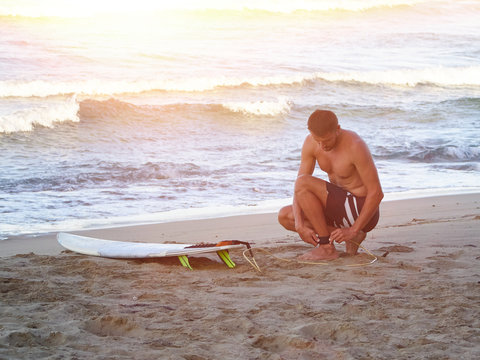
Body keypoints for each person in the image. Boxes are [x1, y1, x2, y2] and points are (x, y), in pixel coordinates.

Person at [278, 110, 383, 260]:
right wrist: (299, 225)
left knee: (303, 182)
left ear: (337, 130)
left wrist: (354, 229)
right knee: (287, 216)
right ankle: (352, 239)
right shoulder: (310, 143)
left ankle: (326, 247)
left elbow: (377, 193)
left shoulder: (355, 146)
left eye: (326, 140)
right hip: (339, 208)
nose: (322, 146)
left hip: (360, 210)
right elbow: (298, 189)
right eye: (317, 140)